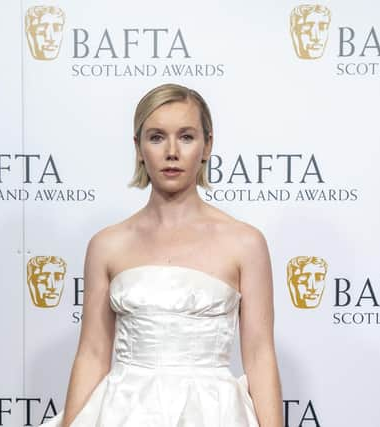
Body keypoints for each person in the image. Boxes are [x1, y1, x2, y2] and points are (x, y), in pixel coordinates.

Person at [42, 83, 283, 426]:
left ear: (207, 145)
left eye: (186, 137)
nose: (172, 151)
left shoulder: (245, 243)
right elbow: (93, 354)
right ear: (138, 147)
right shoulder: (107, 244)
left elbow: (260, 356)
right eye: (156, 137)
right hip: (121, 412)